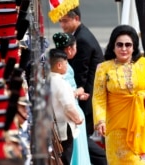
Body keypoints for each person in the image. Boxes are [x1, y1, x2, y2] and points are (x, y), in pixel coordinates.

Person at [92, 25, 145, 164]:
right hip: (116, 128)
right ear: (113, 46)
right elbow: (99, 96)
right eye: (120, 45)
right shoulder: (103, 68)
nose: (124, 49)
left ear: (134, 47)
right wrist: (100, 120)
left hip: (140, 126)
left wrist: (142, 96)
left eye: (128, 45)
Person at [58, 7, 107, 165]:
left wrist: (76, 96)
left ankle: (107, 161)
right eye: (61, 21)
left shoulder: (82, 40)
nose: (62, 25)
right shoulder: (79, 36)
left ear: (76, 18)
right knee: (81, 141)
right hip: (83, 96)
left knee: (81, 140)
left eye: (65, 21)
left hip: (87, 98)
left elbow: (81, 76)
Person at [52, 32, 91, 165]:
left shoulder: (60, 66)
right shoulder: (64, 68)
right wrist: (79, 91)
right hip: (72, 114)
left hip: (70, 110)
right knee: (73, 151)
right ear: (69, 49)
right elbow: (66, 95)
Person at [49, 48, 83, 165]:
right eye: (66, 63)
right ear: (59, 65)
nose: (67, 65)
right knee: (65, 160)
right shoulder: (60, 82)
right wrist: (78, 119)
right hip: (64, 128)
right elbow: (68, 107)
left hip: (54, 128)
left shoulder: (47, 80)